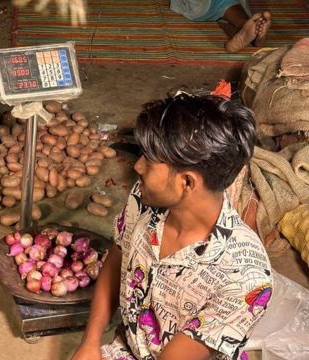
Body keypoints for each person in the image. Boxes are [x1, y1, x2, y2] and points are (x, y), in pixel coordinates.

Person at [71, 93, 273, 360]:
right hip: (131, 348)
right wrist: (90, 342)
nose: (137, 166)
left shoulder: (245, 277)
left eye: (150, 161)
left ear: (187, 183)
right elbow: (118, 254)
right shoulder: (141, 200)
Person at [170, 0, 272, 53]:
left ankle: (245, 32)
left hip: (199, 8)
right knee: (230, 7)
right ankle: (249, 28)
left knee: (225, 12)